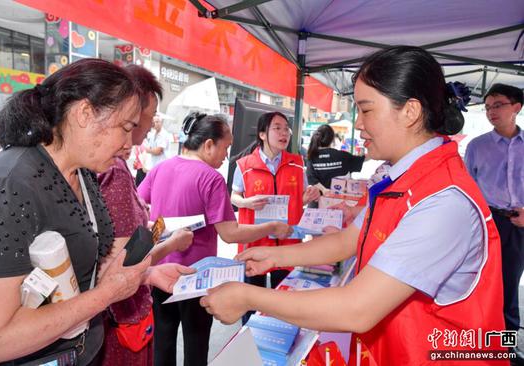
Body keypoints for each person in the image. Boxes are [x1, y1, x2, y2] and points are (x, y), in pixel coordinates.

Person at [201, 46, 507, 365]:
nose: (358, 124)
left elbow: (357, 309)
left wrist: (248, 296)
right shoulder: (399, 178)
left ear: (410, 112)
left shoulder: (444, 201)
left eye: (366, 110)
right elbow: (350, 240)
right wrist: (276, 256)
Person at [0, 58, 185, 365]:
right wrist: (105, 296)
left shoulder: (82, 174)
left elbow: (88, 261)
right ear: (85, 113)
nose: (129, 142)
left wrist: (146, 275)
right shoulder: (8, 186)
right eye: (125, 128)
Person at [138, 112, 292, 366]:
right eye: (225, 147)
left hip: (158, 272)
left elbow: (139, 208)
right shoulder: (211, 178)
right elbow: (230, 234)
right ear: (208, 144)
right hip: (196, 277)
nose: (226, 156)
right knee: (196, 347)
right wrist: (271, 227)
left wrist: (161, 227)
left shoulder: (159, 168)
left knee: (161, 345)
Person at [97, 64, 194, 366]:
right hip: (122, 317)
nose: (150, 123)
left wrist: (149, 226)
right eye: (149, 115)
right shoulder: (114, 170)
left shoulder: (116, 166)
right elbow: (124, 259)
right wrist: (171, 244)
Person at [230, 111, 321, 291]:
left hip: (287, 241)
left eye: (286, 129)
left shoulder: (296, 164)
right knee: (252, 297)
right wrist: (247, 202)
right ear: (262, 134)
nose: (284, 133)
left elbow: (298, 201)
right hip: (256, 240)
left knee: (284, 299)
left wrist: (308, 196)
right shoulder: (244, 165)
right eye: (277, 128)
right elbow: (234, 197)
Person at [465, 83, 524, 333]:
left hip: (521, 222)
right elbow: (467, 190)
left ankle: (506, 349)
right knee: (492, 286)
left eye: (498, 105)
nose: (491, 111)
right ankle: (493, 346)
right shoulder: (477, 146)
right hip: (491, 222)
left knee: (509, 287)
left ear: (517, 107)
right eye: (488, 107)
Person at [306, 124, 366, 201]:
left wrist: (324, 190)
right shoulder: (342, 156)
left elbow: (311, 179)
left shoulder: (311, 157)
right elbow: (360, 160)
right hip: (339, 203)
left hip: (317, 203)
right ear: (332, 139)